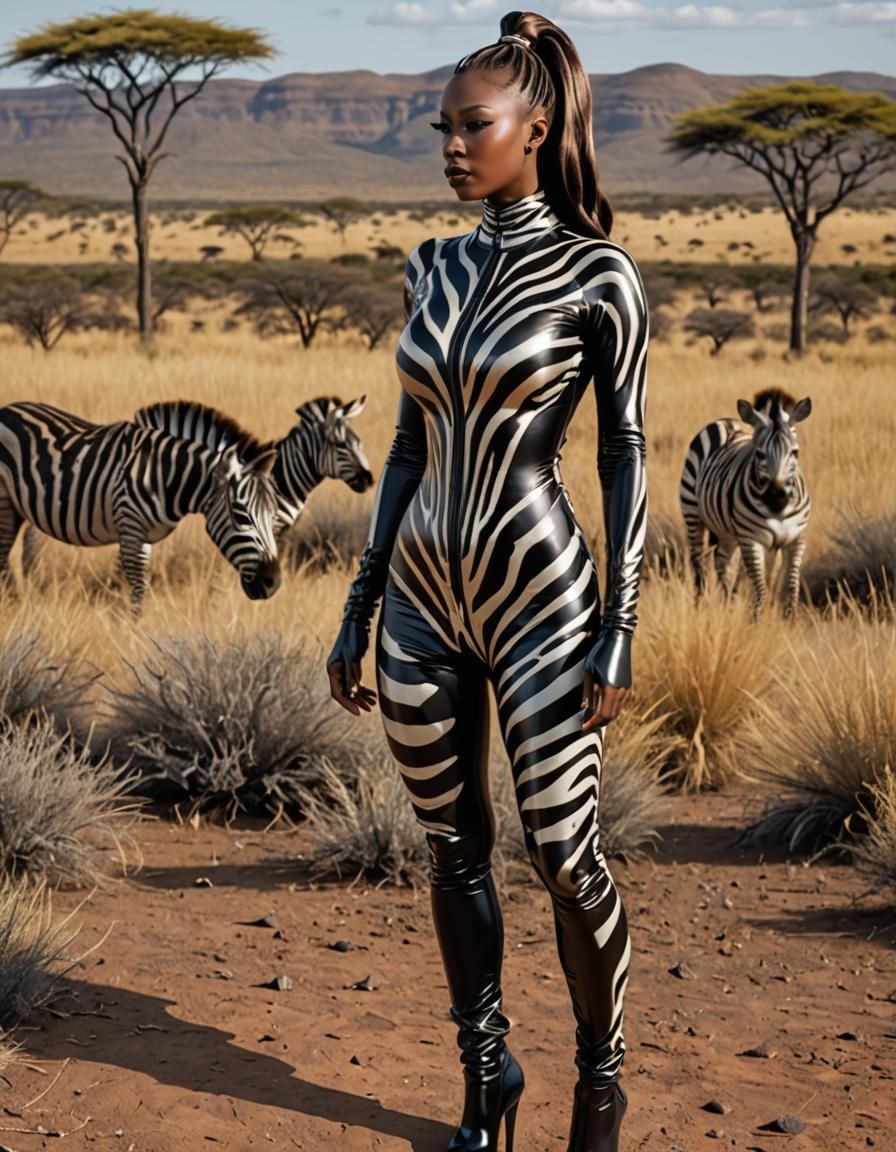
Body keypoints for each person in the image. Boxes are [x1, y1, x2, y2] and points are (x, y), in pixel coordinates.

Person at [326, 10, 648, 1151]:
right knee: (450, 850)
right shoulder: (432, 263)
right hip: (421, 598)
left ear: (537, 128)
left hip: (540, 600)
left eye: (474, 126)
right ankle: (486, 1077)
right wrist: (361, 604)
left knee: (565, 855)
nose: (452, 147)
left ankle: (599, 1090)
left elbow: (624, 451)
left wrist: (619, 623)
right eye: (443, 128)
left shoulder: (600, 274)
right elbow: (407, 446)